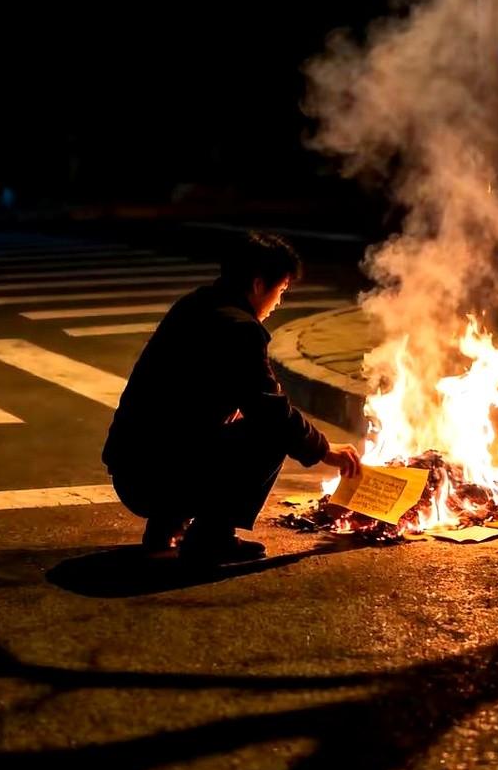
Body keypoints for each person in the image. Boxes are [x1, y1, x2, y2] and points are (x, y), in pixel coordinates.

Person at [102, 232, 361, 564]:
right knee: (269, 434)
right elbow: (273, 412)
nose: (279, 302)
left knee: (235, 422)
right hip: (154, 478)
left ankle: (165, 526)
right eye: (280, 291)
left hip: (131, 469)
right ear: (257, 284)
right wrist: (324, 449)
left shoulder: (195, 303)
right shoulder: (240, 329)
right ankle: (212, 537)